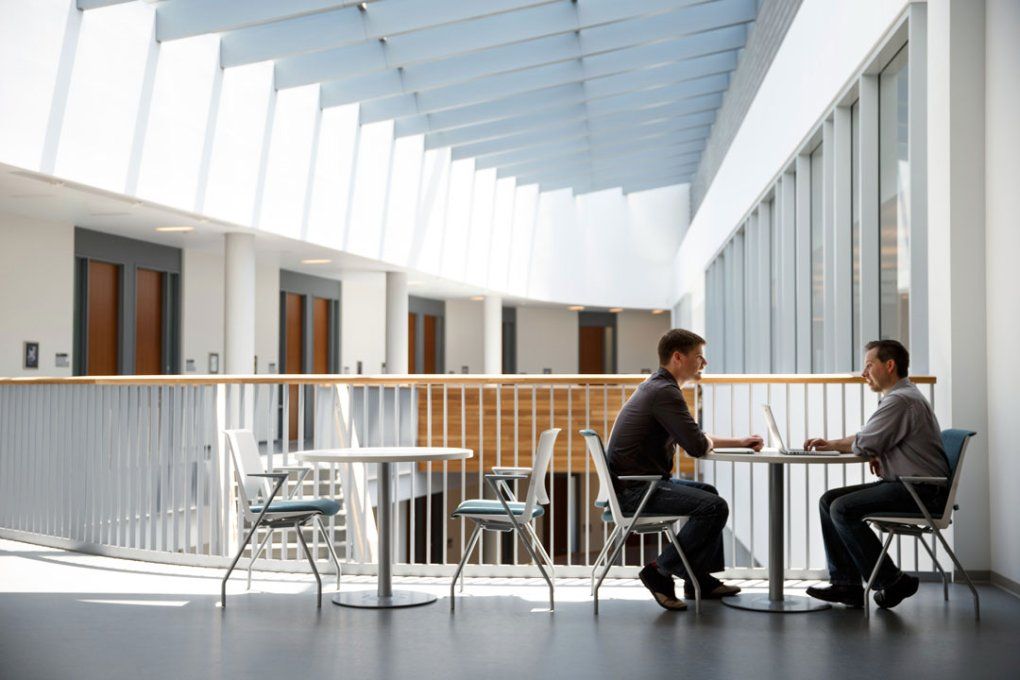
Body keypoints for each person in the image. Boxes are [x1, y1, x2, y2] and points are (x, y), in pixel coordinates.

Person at [607, 328, 763, 611]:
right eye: (699, 357)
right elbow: (696, 445)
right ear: (678, 357)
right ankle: (659, 571)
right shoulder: (664, 392)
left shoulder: (658, 386)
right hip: (637, 490)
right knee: (714, 507)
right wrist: (705, 441)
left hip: (640, 484)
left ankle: (698, 579)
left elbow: (694, 437)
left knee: (708, 493)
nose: (704, 364)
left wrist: (738, 441)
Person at [803, 339, 948, 609]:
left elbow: (866, 442)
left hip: (920, 490)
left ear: (889, 365)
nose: (863, 372)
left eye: (869, 365)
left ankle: (892, 581)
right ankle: (846, 585)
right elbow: (868, 440)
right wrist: (870, 449)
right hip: (911, 485)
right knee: (828, 501)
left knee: (842, 509)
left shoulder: (901, 400)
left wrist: (860, 448)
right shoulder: (902, 397)